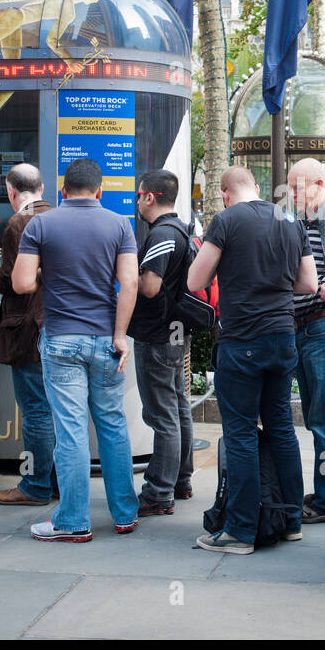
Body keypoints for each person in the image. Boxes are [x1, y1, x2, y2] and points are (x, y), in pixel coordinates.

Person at [188, 165, 315, 555]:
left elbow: (195, 280)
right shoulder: (290, 220)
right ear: (257, 189)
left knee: (241, 431)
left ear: (225, 193)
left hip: (242, 340)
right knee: (281, 426)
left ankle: (241, 531)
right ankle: (291, 519)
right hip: (282, 337)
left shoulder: (226, 221)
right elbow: (308, 284)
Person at [12, 158, 140, 541]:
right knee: (113, 425)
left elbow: (20, 284)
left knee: (70, 431)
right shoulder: (120, 224)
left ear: (62, 191)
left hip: (62, 338)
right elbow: (129, 283)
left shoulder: (41, 224)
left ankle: (72, 521)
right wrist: (120, 335)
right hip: (106, 339)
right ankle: (124, 514)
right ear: (100, 191)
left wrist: (40, 271)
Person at [127, 168, 195, 516]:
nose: (137, 201)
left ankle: (158, 491)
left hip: (158, 333)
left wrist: (126, 274)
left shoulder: (162, 235)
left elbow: (150, 287)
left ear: (150, 197)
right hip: (177, 330)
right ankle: (180, 479)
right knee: (178, 405)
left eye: (139, 195)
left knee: (162, 412)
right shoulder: (181, 230)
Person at [0, 163, 59, 506]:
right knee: (55, 410)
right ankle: (55, 480)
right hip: (57, 324)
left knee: (35, 410)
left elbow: (15, 280)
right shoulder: (58, 217)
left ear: (11, 192)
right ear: (43, 188)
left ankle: (34, 485)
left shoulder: (19, 223)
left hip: (27, 328)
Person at [286, 158, 325, 525]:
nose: (291, 193)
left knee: (324, 419)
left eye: (298, 186)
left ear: (320, 184)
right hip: (297, 326)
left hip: (323, 327)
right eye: (289, 186)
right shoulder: (293, 221)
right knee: (313, 417)